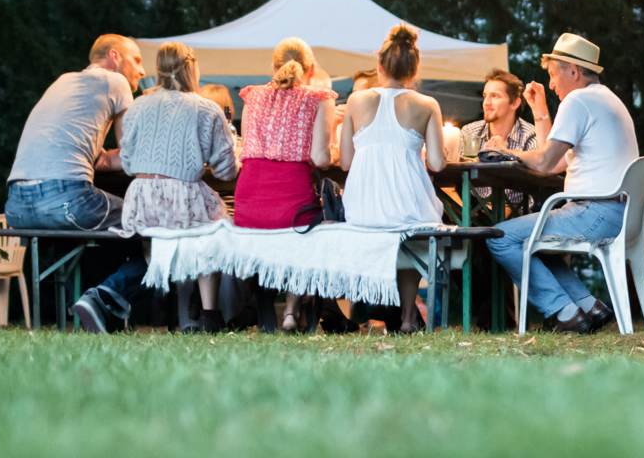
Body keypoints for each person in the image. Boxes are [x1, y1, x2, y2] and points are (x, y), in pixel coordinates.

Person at [484, 33, 637, 334]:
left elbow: (543, 163)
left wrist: (504, 151)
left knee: (500, 237)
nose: (552, 84)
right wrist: (540, 109)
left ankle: (563, 311)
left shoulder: (579, 100)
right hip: (619, 213)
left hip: (595, 212)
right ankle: (587, 305)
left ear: (574, 71)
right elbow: (554, 163)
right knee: (534, 244)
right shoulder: (605, 99)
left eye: (553, 75)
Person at [5, 34, 142, 332]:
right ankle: (104, 297)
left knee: (109, 236)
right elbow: (131, 152)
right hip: (66, 199)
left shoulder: (64, 81)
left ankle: (82, 305)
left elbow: (101, 158)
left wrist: (109, 158)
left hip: (16, 206)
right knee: (153, 222)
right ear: (114, 56)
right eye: (137, 60)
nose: (141, 71)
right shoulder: (114, 81)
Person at [114, 42, 241, 333]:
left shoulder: (137, 106)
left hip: (141, 200)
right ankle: (210, 312)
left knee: (182, 234)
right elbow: (226, 172)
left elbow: (128, 162)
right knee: (216, 232)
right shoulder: (206, 108)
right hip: (183, 198)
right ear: (192, 67)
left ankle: (172, 313)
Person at [339, 25, 448, 333]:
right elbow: (437, 164)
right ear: (413, 70)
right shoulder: (427, 105)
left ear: (379, 66)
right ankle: (407, 319)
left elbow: (345, 162)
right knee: (416, 221)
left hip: (363, 211)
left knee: (401, 223)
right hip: (408, 209)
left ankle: (368, 312)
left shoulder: (356, 101)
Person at [234, 37, 338, 331]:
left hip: (249, 206)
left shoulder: (251, 95)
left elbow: (247, 151)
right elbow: (320, 158)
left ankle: (270, 309)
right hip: (290, 209)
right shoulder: (319, 97)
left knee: (291, 227)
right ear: (312, 67)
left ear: (274, 66)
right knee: (316, 226)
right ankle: (292, 310)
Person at [461, 69, 539, 203]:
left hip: (517, 215)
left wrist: (505, 153)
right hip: (473, 214)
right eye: (485, 95)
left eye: (494, 96)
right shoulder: (469, 132)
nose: (486, 102)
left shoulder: (530, 135)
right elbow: (451, 180)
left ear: (514, 103)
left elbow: (538, 176)